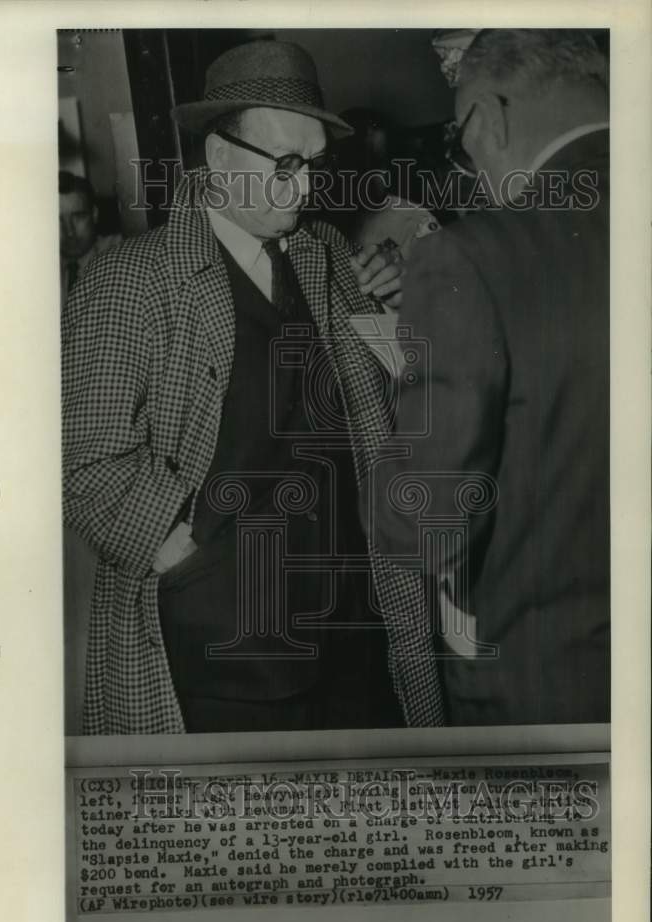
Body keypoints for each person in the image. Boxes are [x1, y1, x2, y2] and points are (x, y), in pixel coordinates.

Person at [63, 40, 445, 734]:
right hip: (224, 646)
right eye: (286, 166)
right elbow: (81, 459)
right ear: (218, 157)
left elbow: (377, 412)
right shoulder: (130, 282)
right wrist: (179, 552)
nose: (303, 190)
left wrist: (391, 321)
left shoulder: (322, 252)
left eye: (314, 167)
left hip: (353, 626)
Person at [366, 29, 609, 725]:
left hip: (550, 681)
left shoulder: (475, 257)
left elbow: (423, 523)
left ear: (486, 120)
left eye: (462, 149)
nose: (471, 173)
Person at [329, 107, 440, 257]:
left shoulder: (414, 221)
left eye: (380, 164)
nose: (379, 175)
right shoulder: (320, 224)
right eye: (358, 164)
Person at [59, 171, 122, 310]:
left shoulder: (119, 252)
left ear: (94, 214)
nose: (69, 231)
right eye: (57, 220)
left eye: (78, 217)